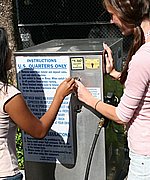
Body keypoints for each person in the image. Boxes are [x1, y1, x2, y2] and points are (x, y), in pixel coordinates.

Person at [75, 0, 150, 179]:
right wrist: (114, 73)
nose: (111, 21)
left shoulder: (142, 58)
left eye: (112, 14)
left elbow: (121, 115)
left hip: (144, 158)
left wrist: (87, 98)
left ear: (126, 12)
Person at [0, 27, 75, 179]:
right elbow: (39, 131)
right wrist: (59, 96)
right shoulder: (8, 95)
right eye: (7, 48)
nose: (10, 53)